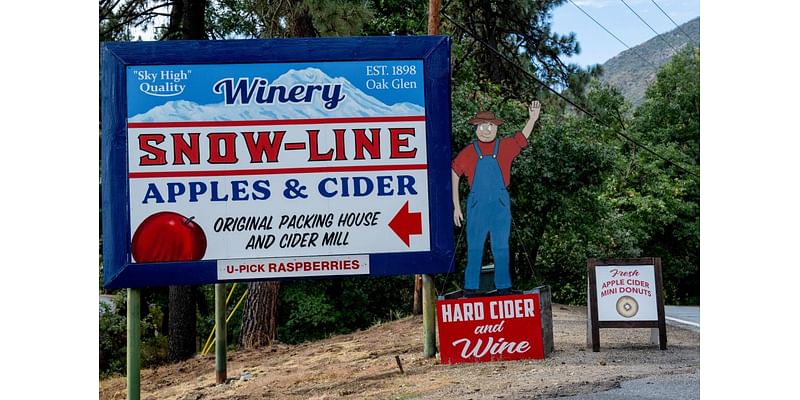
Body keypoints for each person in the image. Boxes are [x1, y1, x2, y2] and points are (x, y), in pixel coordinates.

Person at [451, 100, 541, 296]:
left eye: (490, 125)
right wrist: (456, 207)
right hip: (477, 206)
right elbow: (454, 174)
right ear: (476, 128)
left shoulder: (505, 147)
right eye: (482, 125)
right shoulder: (468, 152)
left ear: (496, 128)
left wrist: (532, 119)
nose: (486, 129)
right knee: (474, 248)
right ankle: (471, 289)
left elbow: (521, 138)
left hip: (500, 205)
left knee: (501, 247)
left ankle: (504, 287)